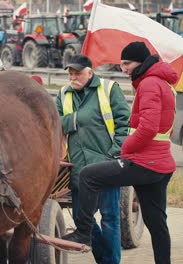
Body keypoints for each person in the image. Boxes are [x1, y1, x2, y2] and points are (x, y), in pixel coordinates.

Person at [61, 42, 178, 264]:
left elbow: (149, 127)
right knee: (157, 224)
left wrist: (126, 148)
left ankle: (83, 231)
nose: (123, 68)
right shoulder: (163, 83)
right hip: (161, 163)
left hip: (144, 162)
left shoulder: (149, 84)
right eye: (121, 64)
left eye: (127, 63)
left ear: (141, 62)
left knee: (88, 175)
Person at [56, 54, 130, 264]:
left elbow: (124, 123)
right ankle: (104, 258)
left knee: (110, 218)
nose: (73, 77)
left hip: (105, 166)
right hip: (78, 169)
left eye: (77, 72)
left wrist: (114, 154)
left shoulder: (108, 89)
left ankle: (111, 261)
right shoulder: (63, 94)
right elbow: (55, 122)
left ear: (90, 72)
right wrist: (76, 119)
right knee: (82, 220)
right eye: (70, 73)